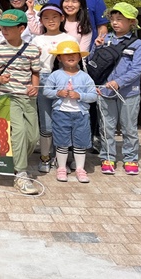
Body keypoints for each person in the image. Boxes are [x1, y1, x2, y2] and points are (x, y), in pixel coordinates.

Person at [0, 9, 41, 195]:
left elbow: (35, 72)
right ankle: (21, 173)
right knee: (19, 132)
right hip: (7, 97)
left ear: (21, 29)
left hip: (28, 98)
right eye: (3, 27)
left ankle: (17, 161)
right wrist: (0, 79)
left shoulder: (32, 49)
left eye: (9, 27)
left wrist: (35, 87)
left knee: (33, 136)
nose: (4, 30)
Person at [95, 2, 141, 176]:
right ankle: (108, 157)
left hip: (129, 93)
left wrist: (119, 82)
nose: (115, 23)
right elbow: (94, 64)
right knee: (106, 127)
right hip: (105, 91)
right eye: (113, 19)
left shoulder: (137, 44)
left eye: (120, 19)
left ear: (131, 22)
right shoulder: (105, 39)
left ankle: (131, 158)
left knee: (129, 127)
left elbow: (137, 69)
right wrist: (97, 47)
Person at [28, 4, 76, 173]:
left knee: (63, 120)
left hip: (65, 79)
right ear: (41, 21)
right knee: (46, 121)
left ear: (62, 18)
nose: (51, 21)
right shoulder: (36, 40)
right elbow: (31, 65)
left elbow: (77, 63)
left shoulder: (69, 39)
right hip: (43, 79)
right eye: (46, 18)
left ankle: (61, 158)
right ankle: (45, 156)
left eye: (55, 17)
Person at [43, 41, 97, 183]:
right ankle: (61, 167)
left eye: (74, 54)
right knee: (62, 141)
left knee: (80, 141)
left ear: (79, 57)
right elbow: (46, 91)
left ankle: (80, 168)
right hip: (61, 113)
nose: (71, 57)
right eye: (66, 55)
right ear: (59, 58)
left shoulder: (85, 77)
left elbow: (93, 95)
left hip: (81, 114)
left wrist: (80, 96)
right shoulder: (55, 75)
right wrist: (57, 93)